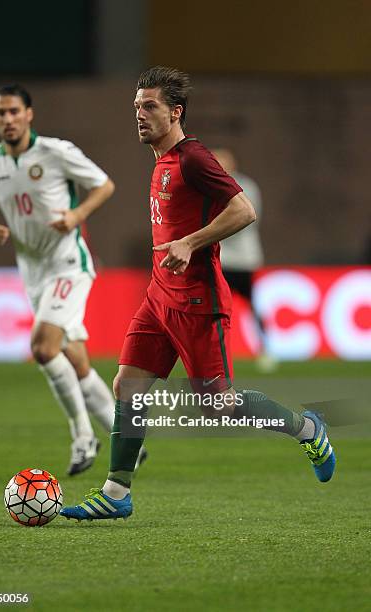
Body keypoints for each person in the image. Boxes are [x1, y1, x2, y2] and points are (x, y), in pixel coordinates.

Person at [60, 67, 336, 522]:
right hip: (159, 296)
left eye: (150, 107)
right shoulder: (162, 160)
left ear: (176, 112)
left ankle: (309, 429)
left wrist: (190, 242)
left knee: (220, 403)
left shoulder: (192, 158)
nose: (140, 115)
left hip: (195, 300)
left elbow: (242, 209)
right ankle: (115, 492)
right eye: (136, 107)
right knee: (128, 385)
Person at [0, 84, 146, 476]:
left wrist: (75, 215)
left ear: (29, 114)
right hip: (32, 271)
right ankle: (127, 434)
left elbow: (104, 185)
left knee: (43, 347)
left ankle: (83, 436)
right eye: (0, 113)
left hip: (68, 262)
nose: (8, 119)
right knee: (75, 358)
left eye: (14, 111)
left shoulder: (55, 151)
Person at [212, 148, 277, 372]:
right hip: (221, 259)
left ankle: (265, 350)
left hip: (245, 259)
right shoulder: (210, 187)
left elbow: (248, 218)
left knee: (252, 304)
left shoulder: (246, 187)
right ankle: (215, 353)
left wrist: (218, 228)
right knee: (216, 307)